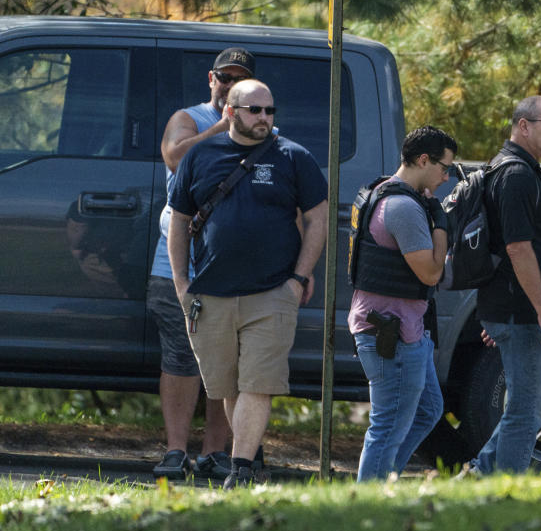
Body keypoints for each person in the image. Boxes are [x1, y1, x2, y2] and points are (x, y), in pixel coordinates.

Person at [167, 79, 329, 489]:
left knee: (259, 382)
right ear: (230, 112)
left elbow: (319, 218)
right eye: (255, 110)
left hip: (272, 292)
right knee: (228, 385)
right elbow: (180, 223)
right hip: (211, 293)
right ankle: (243, 461)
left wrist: (298, 277)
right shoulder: (200, 155)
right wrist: (182, 284)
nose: (264, 118)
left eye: (269, 111)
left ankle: (239, 470)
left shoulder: (293, 156)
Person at [149, 47, 255, 480]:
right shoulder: (189, 119)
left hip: (231, 270)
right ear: (210, 81)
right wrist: (223, 128)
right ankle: (176, 451)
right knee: (180, 358)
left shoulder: (263, 127)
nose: (229, 84)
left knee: (223, 362)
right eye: (223, 77)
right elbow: (175, 156)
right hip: (176, 267)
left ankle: (214, 452)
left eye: (238, 78)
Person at [468, 96, 541, 475]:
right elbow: (517, 248)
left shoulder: (522, 168)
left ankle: (483, 469)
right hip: (523, 314)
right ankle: (506, 490)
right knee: (526, 409)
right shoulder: (516, 174)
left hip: (519, 312)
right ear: (524, 126)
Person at [348, 126, 455, 481]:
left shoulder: (381, 190)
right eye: (444, 168)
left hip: (405, 329)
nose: (446, 177)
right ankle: (368, 508)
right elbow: (430, 273)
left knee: (428, 410)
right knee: (387, 429)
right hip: (390, 335)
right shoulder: (404, 207)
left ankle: (384, 479)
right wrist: (441, 226)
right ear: (423, 160)